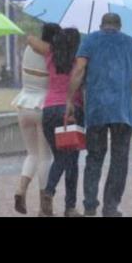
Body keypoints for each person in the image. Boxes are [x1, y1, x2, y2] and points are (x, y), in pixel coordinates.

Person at [65, 13, 132, 217]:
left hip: (97, 110)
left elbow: (79, 70)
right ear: (119, 26)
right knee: (119, 159)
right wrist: (129, 84)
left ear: (102, 25)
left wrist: (69, 100)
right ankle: (110, 207)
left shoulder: (90, 40)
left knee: (94, 158)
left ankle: (90, 206)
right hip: (122, 110)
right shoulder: (130, 43)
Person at [28, 28, 85, 217]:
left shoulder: (51, 54)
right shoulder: (79, 60)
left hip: (49, 111)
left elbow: (30, 38)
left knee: (62, 158)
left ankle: (57, 201)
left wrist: (53, 43)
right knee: (70, 160)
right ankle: (61, 200)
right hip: (69, 112)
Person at [10, 23, 60, 215]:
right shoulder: (52, 54)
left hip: (23, 105)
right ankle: (44, 207)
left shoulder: (28, 49)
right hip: (43, 107)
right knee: (45, 157)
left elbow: (33, 41)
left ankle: (20, 189)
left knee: (31, 154)